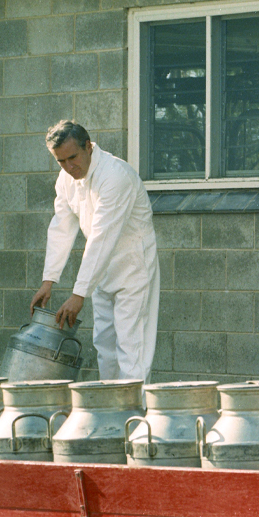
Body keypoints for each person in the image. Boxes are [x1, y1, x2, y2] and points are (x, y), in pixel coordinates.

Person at [32, 120, 160, 384]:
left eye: (73, 158)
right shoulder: (66, 180)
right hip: (100, 273)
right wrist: (48, 280)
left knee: (131, 351)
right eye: (60, 161)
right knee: (106, 349)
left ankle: (134, 410)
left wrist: (79, 294)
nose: (69, 167)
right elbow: (61, 227)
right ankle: (109, 408)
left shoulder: (115, 176)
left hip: (133, 270)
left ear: (88, 147)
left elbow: (102, 237)